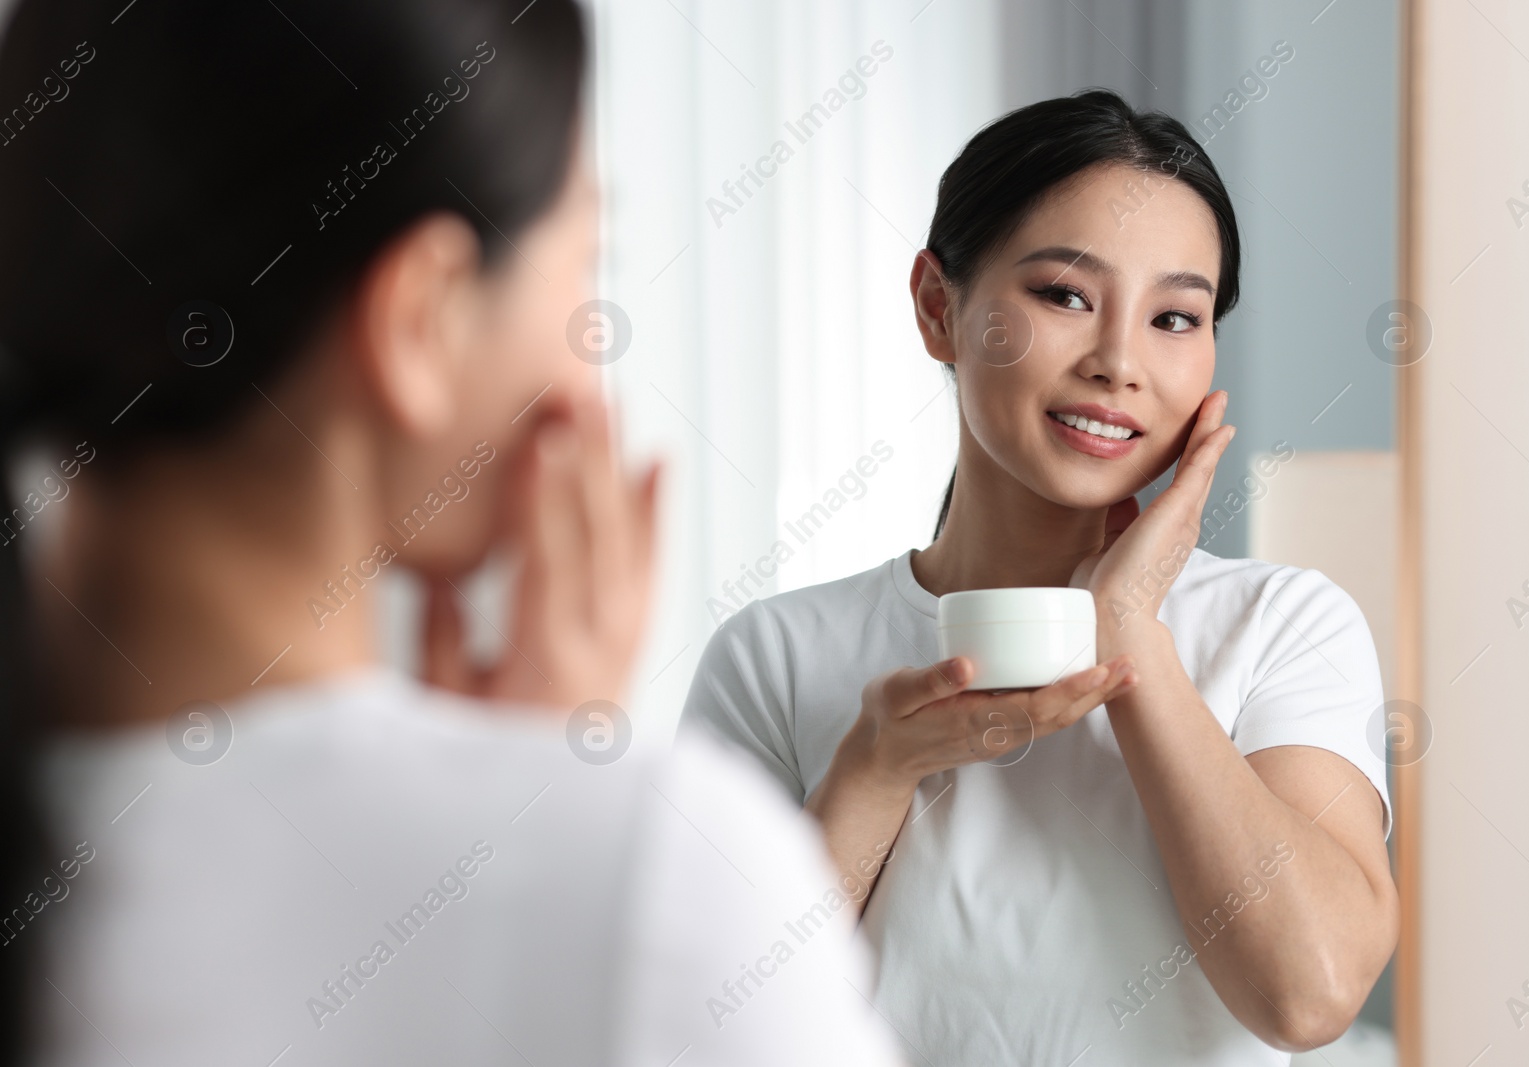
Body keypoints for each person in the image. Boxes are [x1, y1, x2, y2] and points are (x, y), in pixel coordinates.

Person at [0, 2, 904, 1065]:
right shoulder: (651, 878)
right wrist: (550, 841)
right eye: (585, 272)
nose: (586, 379)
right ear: (420, 316)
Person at [679, 90, 1399, 1066]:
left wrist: (1130, 628)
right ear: (940, 307)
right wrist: (876, 766)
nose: (1118, 361)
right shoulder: (773, 655)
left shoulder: (1281, 624)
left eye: (1175, 316)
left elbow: (1306, 994)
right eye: (1064, 295)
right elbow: (702, 1029)